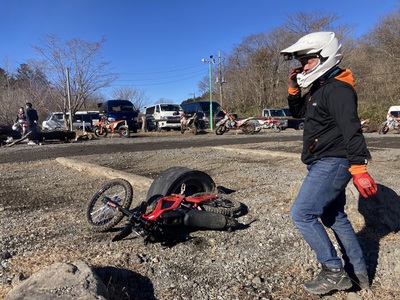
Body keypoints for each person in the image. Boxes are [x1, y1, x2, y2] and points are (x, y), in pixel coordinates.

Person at [280, 32, 378, 295]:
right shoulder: (321, 88)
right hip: (323, 160)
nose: (303, 66)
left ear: (325, 56)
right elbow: (299, 114)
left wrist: (359, 167)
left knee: (302, 213)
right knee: (334, 216)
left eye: (307, 61)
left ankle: (333, 270)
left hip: (333, 161)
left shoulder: (338, 89)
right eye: (301, 62)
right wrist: (294, 90)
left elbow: (352, 128)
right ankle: (359, 276)